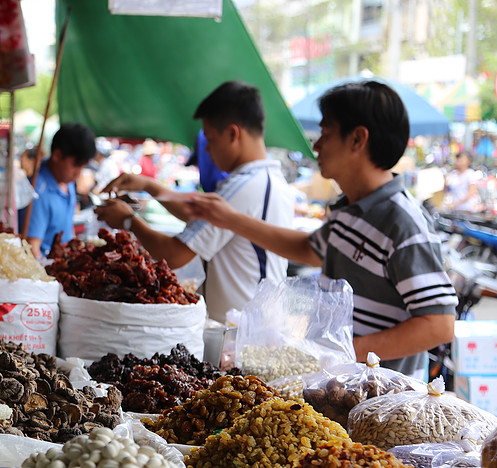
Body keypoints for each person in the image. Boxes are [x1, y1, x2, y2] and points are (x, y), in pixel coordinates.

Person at [183, 80, 457, 379]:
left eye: (325, 134)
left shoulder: (402, 222)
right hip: (338, 387)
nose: (316, 146)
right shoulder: (349, 211)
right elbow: (308, 249)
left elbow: (438, 325)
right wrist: (231, 219)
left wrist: (342, 352)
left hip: (382, 401)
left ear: (357, 139)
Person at [96, 80, 298, 323]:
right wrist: (149, 186)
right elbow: (198, 214)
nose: (208, 152)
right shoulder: (269, 181)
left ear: (233, 134)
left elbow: (174, 254)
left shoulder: (242, 187)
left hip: (238, 333)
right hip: (253, 327)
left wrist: (128, 221)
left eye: (210, 140)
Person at [19, 123, 96, 258]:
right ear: (57, 155)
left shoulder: (68, 183)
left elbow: (68, 230)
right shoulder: (37, 192)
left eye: (83, 166)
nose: (79, 173)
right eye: (76, 165)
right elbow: (32, 248)